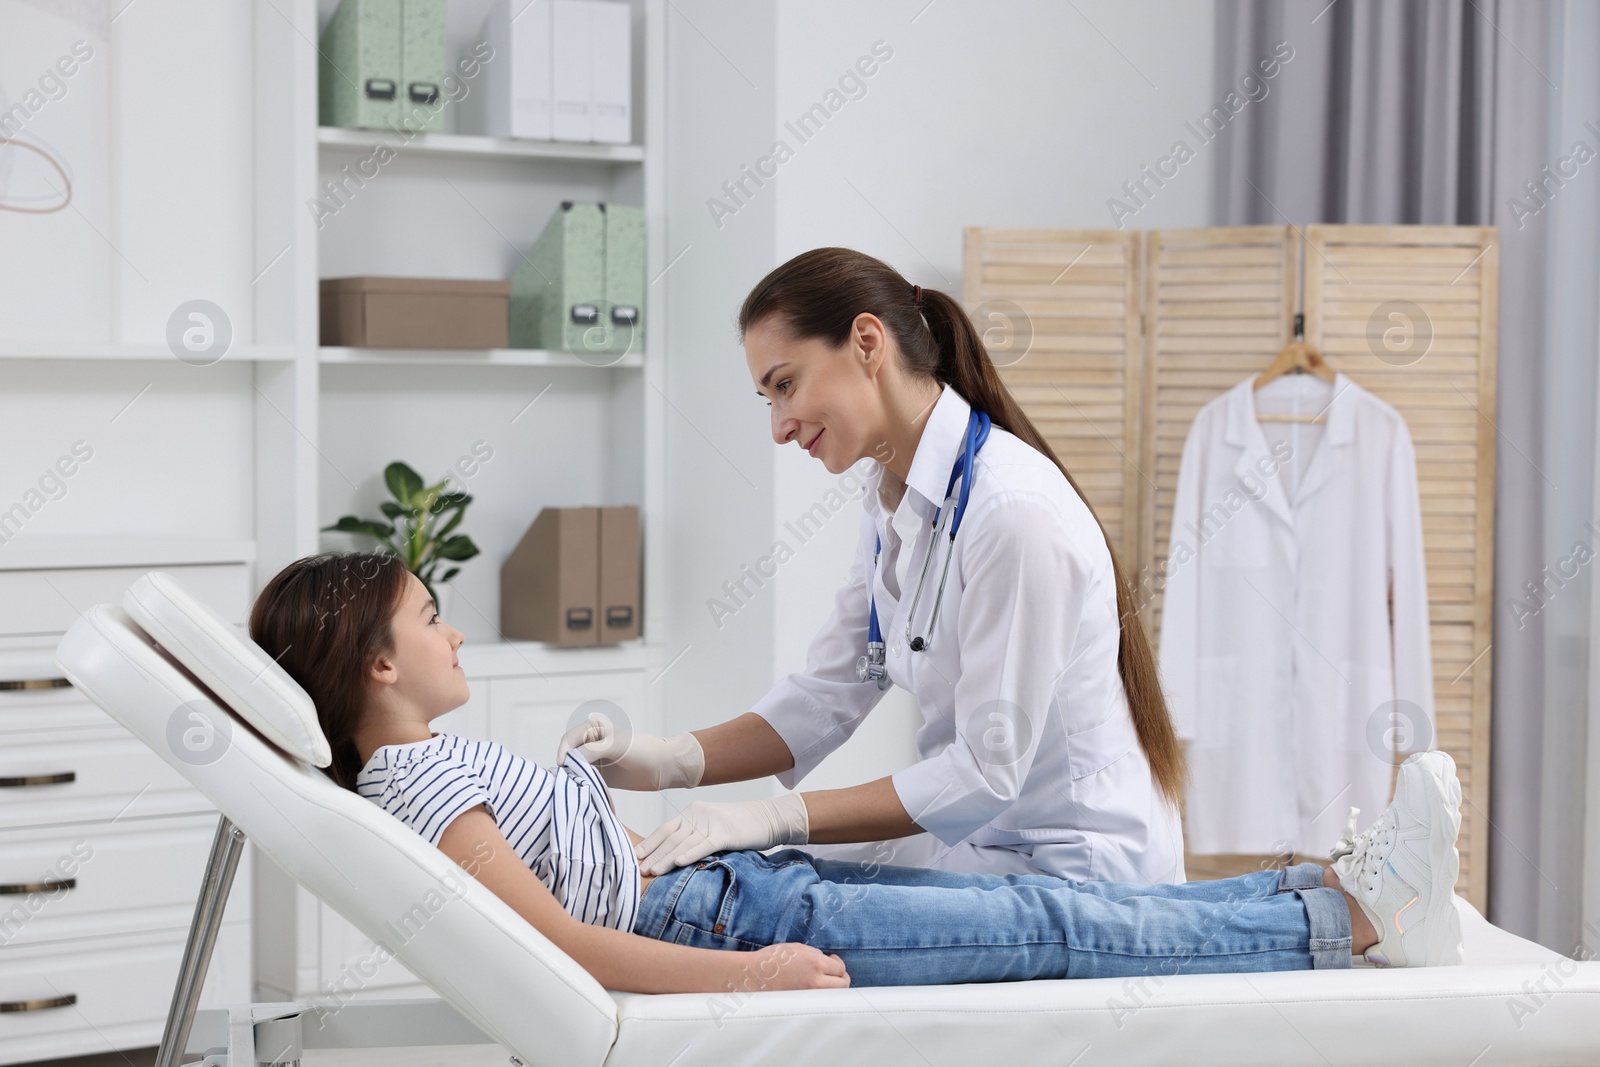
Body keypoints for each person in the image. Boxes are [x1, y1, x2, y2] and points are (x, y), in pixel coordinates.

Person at [247, 552, 1466, 994]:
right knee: (1046, 921)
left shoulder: (421, 757)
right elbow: (558, 949)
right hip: (726, 920)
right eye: (431, 615)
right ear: (374, 663)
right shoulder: (411, 784)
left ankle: (1330, 893)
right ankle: (1344, 914)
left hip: (736, 885)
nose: (452, 630)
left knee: (1042, 907)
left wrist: (640, 770)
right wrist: (743, 977)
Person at [567, 247, 1186, 885]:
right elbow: (828, 695)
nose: (779, 428)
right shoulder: (893, 503)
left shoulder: (1013, 512)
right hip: (980, 851)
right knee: (748, 879)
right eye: (767, 399)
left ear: (867, 342)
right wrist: (663, 760)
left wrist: (773, 816)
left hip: (1077, 874)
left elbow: (984, 772)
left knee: (755, 893)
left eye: (785, 385)